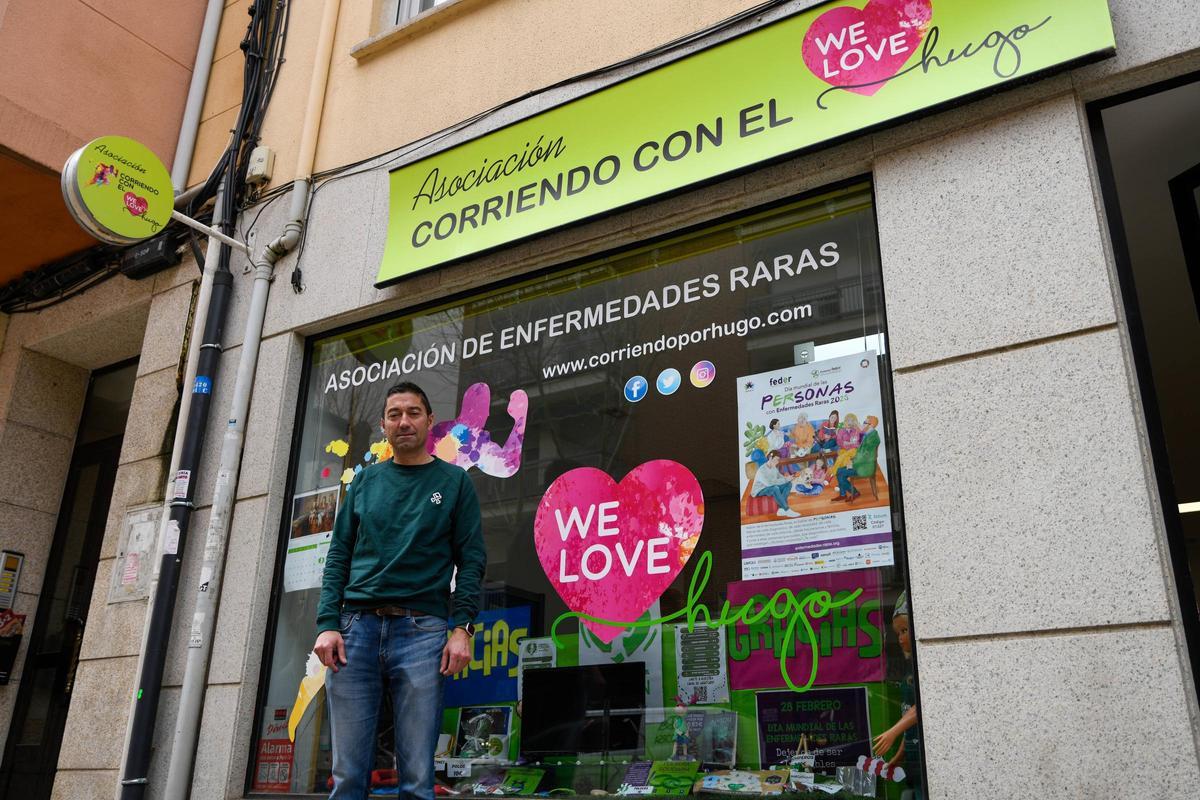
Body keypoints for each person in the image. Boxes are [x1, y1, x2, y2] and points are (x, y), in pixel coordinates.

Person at [314, 381, 487, 800]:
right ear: (383, 426)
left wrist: (462, 627)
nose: (404, 421)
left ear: (430, 421)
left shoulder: (455, 482)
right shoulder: (364, 483)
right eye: (395, 414)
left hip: (422, 633)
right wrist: (327, 624)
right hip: (355, 631)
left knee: (416, 780)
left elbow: (472, 560)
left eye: (413, 412)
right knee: (348, 778)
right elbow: (338, 555)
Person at [831, 415, 880, 504]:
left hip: (864, 467)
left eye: (864, 422)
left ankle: (854, 493)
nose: (862, 424)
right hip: (861, 464)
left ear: (871, 425)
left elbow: (865, 456)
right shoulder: (868, 435)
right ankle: (843, 494)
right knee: (840, 470)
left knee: (840, 472)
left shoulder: (871, 438)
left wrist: (853, 463)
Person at [751, 450, 799, 517]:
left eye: (778, 460)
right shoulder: (762, 470)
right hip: (759, 490)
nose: (777, 462)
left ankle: (781, 510)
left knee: (788, 484)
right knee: (775, 488)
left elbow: (780, 477)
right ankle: (787, 510)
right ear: (770, 458)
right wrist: (785, 479)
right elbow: (769, 484)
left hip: (769, 487)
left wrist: (789, 478)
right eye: (776, 459)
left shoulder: (774, 468)